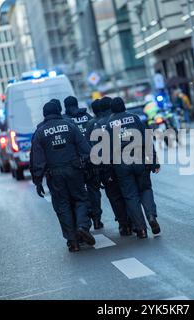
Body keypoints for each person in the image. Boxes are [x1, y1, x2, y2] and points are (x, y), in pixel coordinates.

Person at [31, 100, 95, 253]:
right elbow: (86, 150)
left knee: (62, 206)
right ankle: (82, 226)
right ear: (58, 111)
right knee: (80, 199)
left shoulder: (40, 132)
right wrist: (88, 167)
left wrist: (38, 181)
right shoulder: (70, 125)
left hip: (54, 175)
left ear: (44, 114)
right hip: (74, 170)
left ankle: (72, 242)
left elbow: (37, 160)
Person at [107, 97, 161, 239]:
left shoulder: (109, 125)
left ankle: (141, 229)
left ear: (112, 109)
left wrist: (110, 171)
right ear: (124, 106)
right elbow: (147, 139)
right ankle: (151, 216)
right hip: (139, 159)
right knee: (145, 189)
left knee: (131, 196)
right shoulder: (135, 118)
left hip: (121, 164)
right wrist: (154, 161)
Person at [86, 97, 132, 236]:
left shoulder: (92, 124)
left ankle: (124, 224)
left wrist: (96, 170)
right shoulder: (115, 121)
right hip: (123, 161)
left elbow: (91, 149)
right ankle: (134, 221)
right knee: (128, 192)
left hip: (105, 167)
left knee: (114, 196)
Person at [64, 96, 103, 230]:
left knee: (79, 194)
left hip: (75, 163)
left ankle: (84, 221)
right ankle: (97, 219)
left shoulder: (65, 121)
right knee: (94, 190)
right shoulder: (88, 117)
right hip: (91, 160)